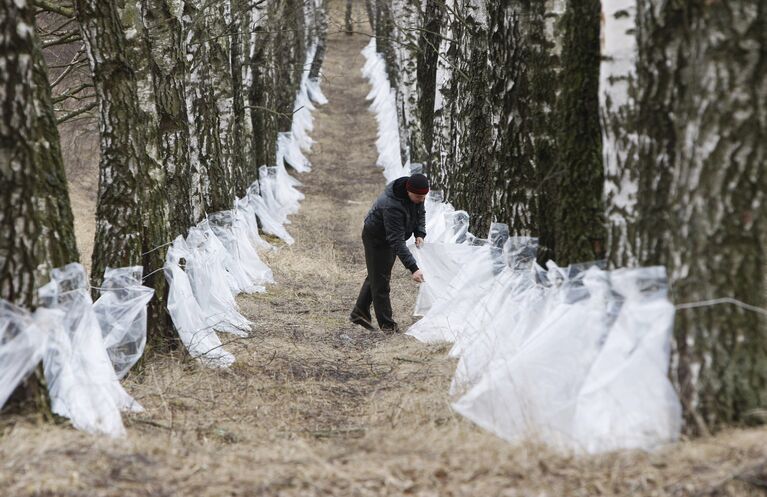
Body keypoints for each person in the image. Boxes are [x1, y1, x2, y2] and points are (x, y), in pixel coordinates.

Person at [350, 173, 428, 333]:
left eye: (424, 196)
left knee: (378, 275)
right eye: (419, 196)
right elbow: (397, 241)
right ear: (408, 191)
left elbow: (420, 213)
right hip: (377, 239)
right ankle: (388, 326)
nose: (421, 199)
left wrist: (420, 232)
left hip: (390, 238)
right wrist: (413, 268)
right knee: (381, 282)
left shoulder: (417, 194)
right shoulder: (392, 205)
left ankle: (359, 313)